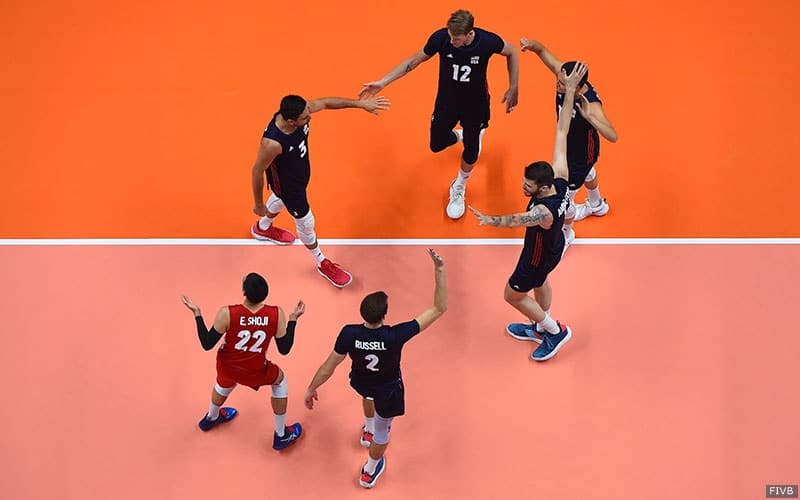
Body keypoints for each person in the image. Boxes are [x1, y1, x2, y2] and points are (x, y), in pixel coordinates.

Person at [467, 63, 589, 361]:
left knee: (513, 295)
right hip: (553, 247)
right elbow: (562, 128)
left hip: (536, 256)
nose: (523, 187)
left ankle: (553, 330)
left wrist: (489, 219)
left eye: (527, 185)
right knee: (541, 282)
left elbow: (517, 220)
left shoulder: (543, 213)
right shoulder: (559, 178)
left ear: (542, 187)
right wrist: (569, 90)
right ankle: (539, 324)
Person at [303, 249, 447, 489]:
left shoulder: (349, 333)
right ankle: (370, 469)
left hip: (361, 381)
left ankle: (367, 430)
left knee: (367, 395)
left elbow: (329, 367)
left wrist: (311, 388)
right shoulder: (394, 335)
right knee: (383, 432)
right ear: (384, 315)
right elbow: (438, 308)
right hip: (388, 391)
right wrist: (439, 270)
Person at [359, 9, 519, 220]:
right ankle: (459, 135)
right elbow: (413, 61)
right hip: (447, 102)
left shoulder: (488, 42)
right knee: (436, 144)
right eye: (451, 36)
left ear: (470, 33)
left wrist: (513, 86)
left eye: (457, 38)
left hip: (476, 105)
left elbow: (512, 52)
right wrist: (383, 82)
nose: (452, 41)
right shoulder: (441, 38)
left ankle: (459, 185)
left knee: (472, 151)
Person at [250, 94, 391, 287]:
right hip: (290, 188)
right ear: (291, 121)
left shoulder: (299, 112)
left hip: (297, 178)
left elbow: (325, 103)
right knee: (306, 223)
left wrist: (359, 104)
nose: (310, 118)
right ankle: (321, 261)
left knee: (280, 199)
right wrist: (258, 204)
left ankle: (262, 228)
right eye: (305, 118)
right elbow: (257, 171)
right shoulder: (271, 143)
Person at [181, 272, 306, 450]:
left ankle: (211, 418)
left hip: (227, 366)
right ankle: (281, 435)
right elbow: (284, 349)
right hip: (256, 371)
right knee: (280, 381)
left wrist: (197, 313)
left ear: (243, 291)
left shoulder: (227, 313)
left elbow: (207, 343)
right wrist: (293, 320)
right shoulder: (276, 314)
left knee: (223, 384)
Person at [520, 38, 618, 251]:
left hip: (581, 153)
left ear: (579, 86)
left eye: (563, 85)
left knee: (565, 198)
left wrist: (590, 117)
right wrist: (533, 46)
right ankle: (596, 205)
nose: (558, 85)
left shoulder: (590, 103)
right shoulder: (565, 76)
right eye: (559, 80)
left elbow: (612, 135)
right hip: (568, 145)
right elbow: (546, 53)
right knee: (589, 174)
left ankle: (567, 233)